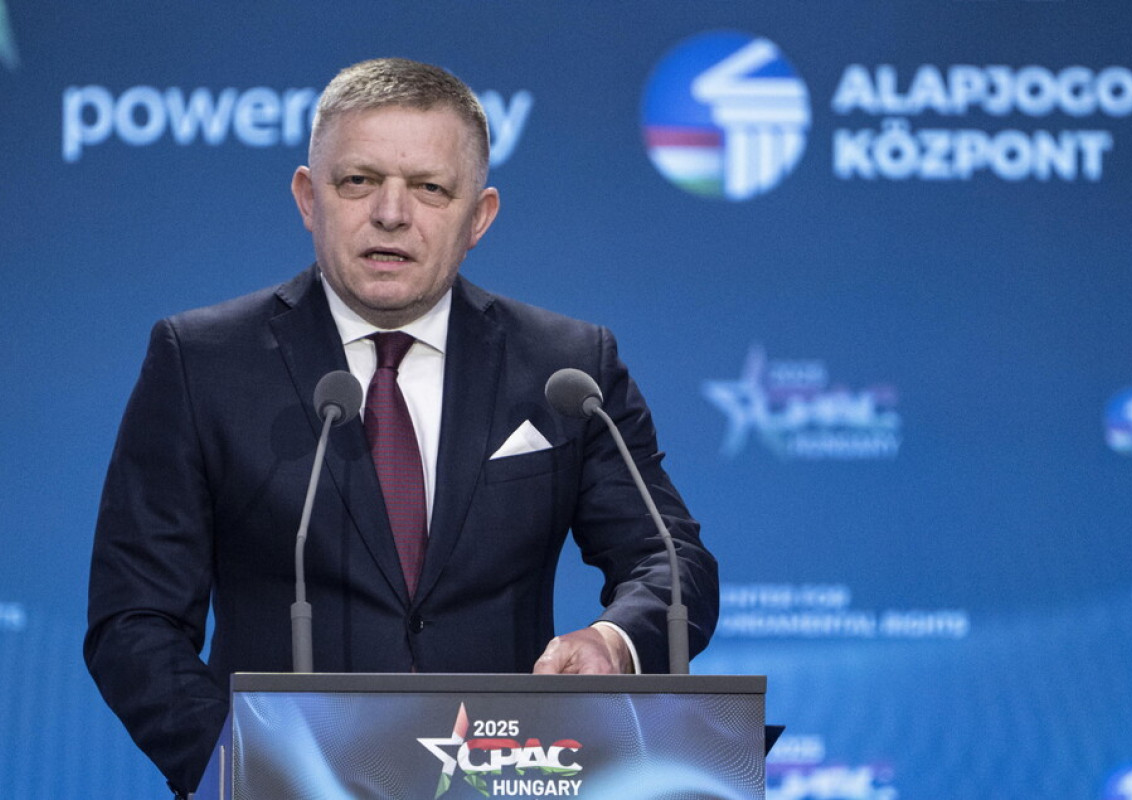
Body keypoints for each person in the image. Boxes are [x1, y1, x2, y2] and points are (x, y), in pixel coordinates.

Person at [84, 57, 718, 797]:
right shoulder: (202, 362)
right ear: (308, 198)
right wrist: (240, 768)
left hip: (502, 781)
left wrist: (613, 641)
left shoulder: (567, 368)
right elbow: (134, 619)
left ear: (478, 216)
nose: (391, 213)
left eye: (429, 188)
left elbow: (670, 560)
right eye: (359, 181)